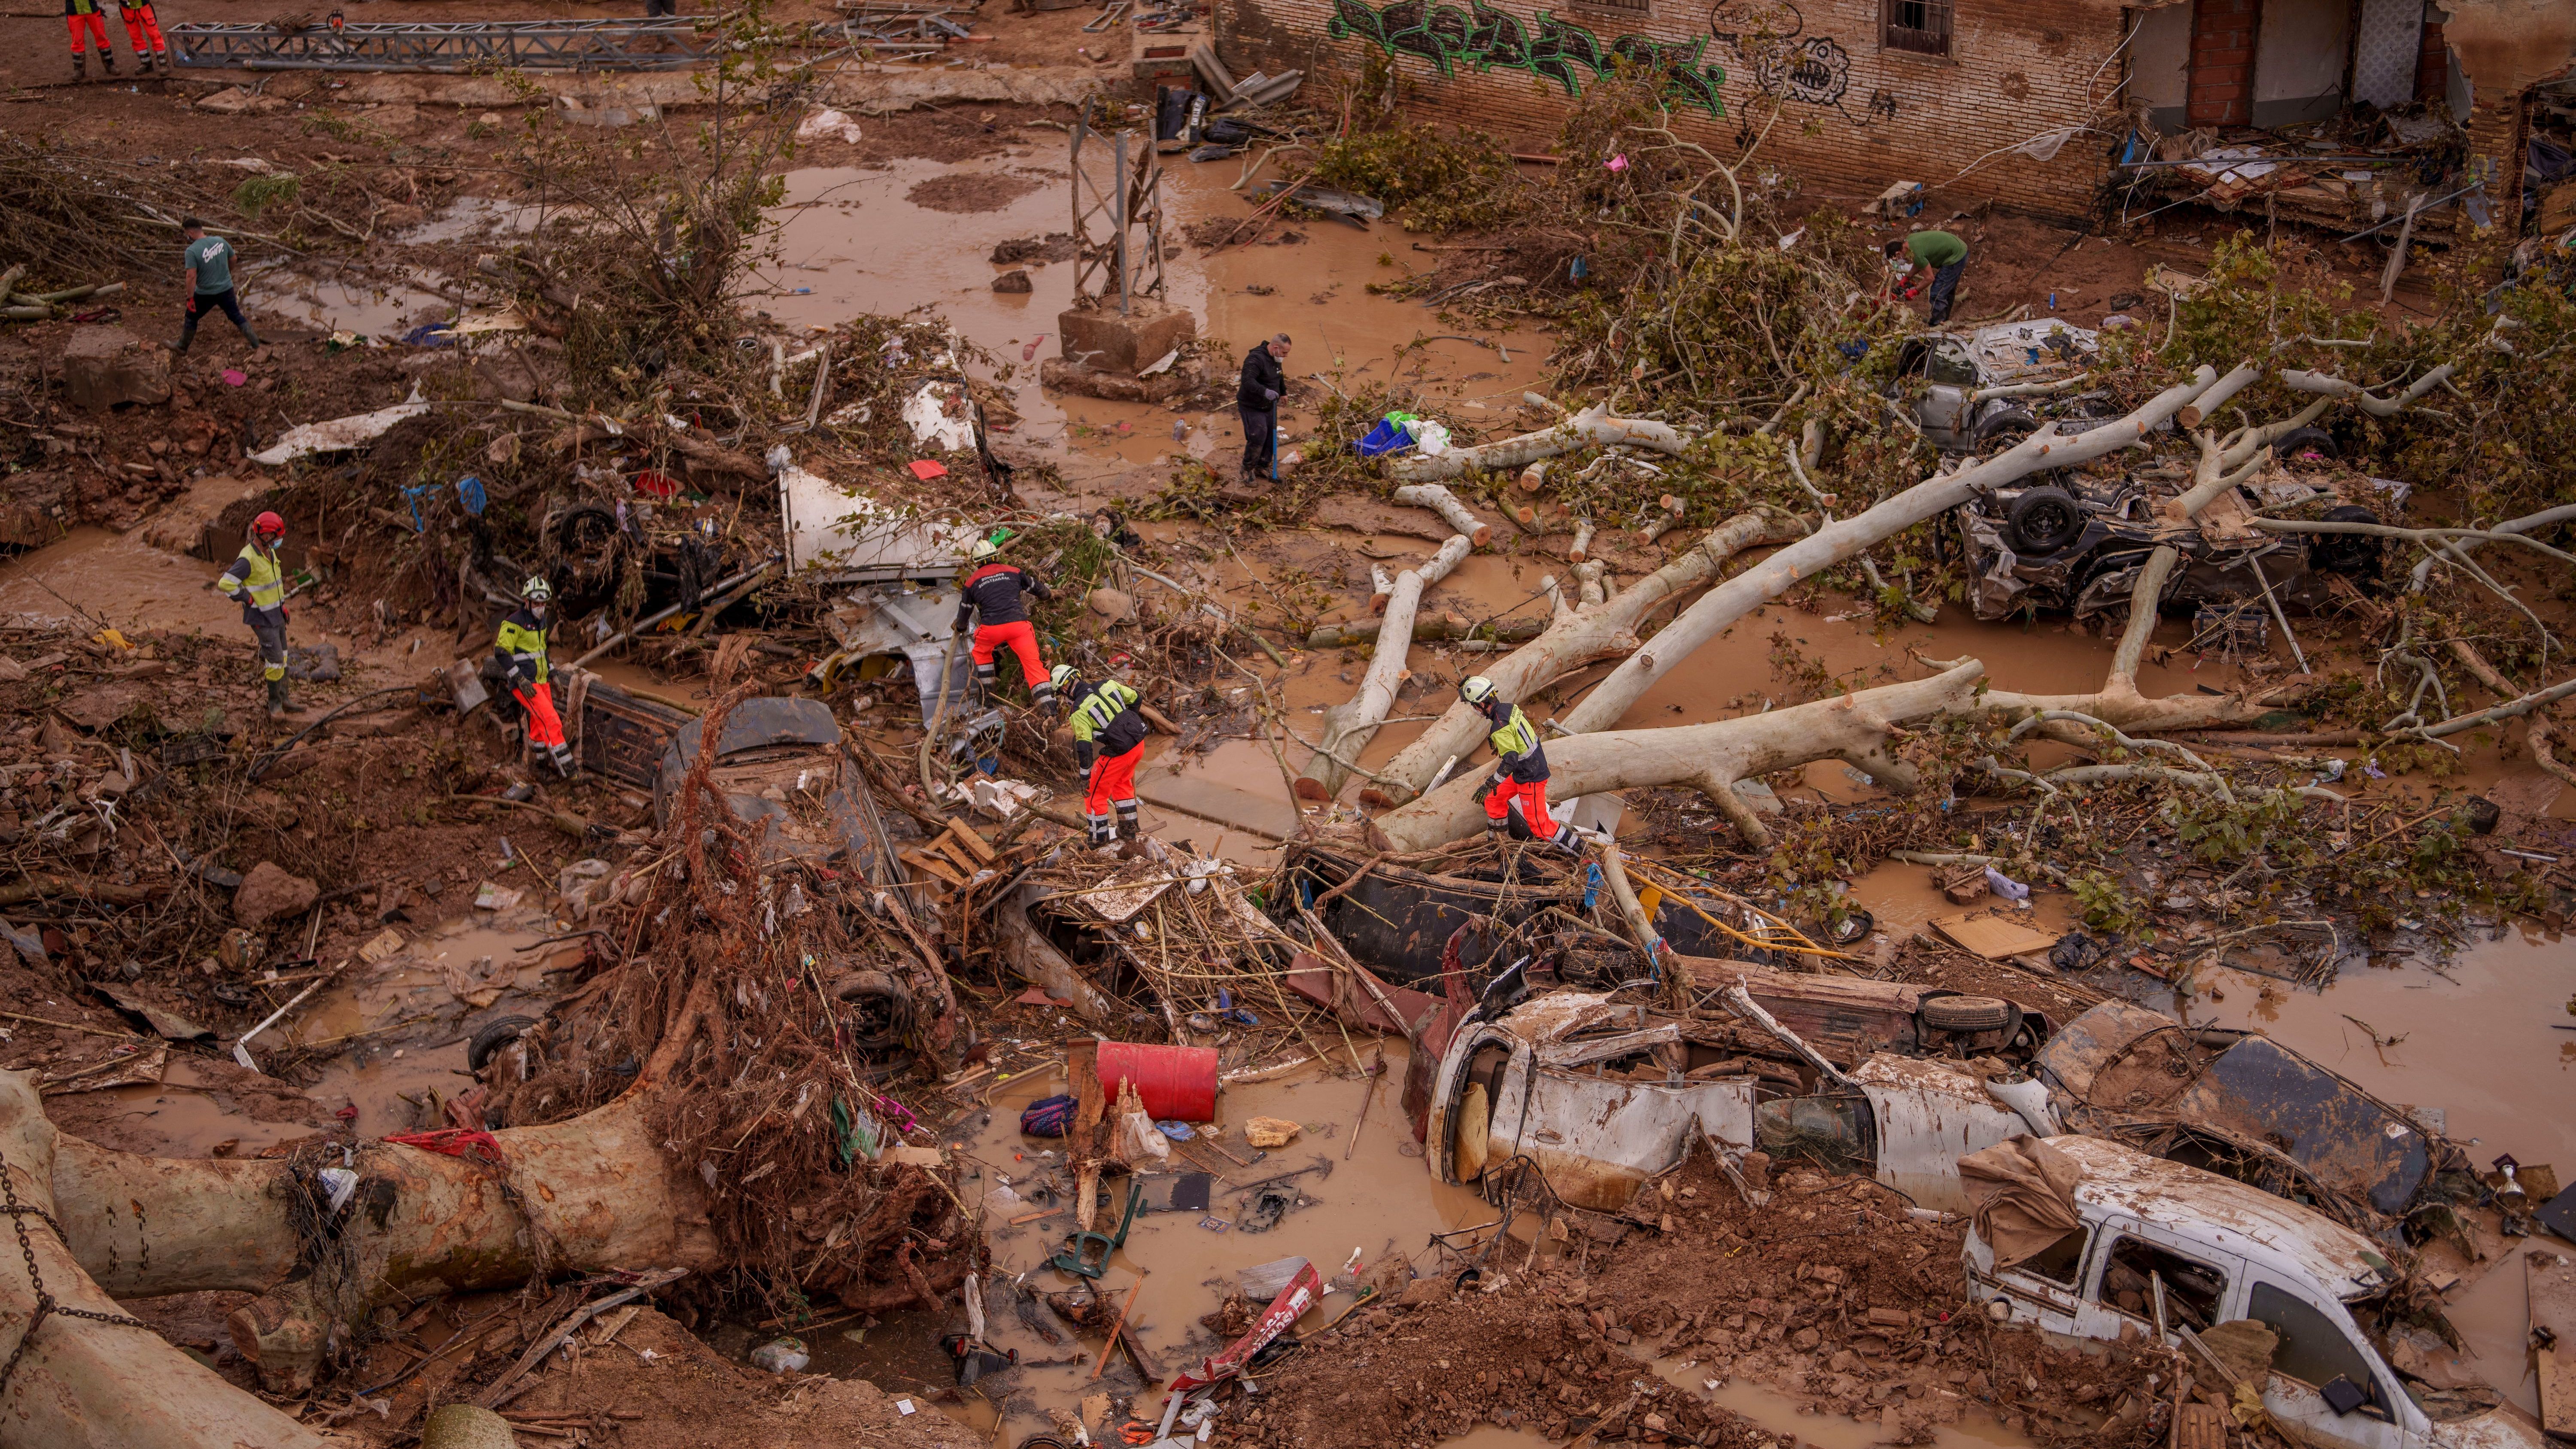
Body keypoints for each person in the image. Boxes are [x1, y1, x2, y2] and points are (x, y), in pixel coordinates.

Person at [1459, 675, 1579, 854]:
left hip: (1530, 777)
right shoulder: (1510, 708)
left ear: (1482, 705)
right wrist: (1500, 744)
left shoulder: (1499, 728)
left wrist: (1489, 784)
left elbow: (1511, 761)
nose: (1474, 710)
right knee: (1494, 799)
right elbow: (1519, 735)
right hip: (1527, 769)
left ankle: (1582, 851)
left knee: (1540, 826)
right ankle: (1499, 848)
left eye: (1473, 706)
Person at [954, 537, 1058, 716]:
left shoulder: (971, 582)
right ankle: (1049, 712)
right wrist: (1049, 595)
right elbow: (1038, 589)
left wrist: (960, 628)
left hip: (991, 629)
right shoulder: (1014, 572)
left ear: (977, 563)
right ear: (996, 556)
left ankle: (988, 699)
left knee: (981, 653)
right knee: (1033, 666)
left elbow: (965, 612)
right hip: (1018, 627)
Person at [217, 512, 302, 719]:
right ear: (264, 535)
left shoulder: (270, 552)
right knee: (274, 661)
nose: (278, 540)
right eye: (276, 536)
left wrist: (283, 607)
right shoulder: (248, 559)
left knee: (283, 657)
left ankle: (285, 698)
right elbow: (225, 583)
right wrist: (246, 598)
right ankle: (275, 706)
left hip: (276, 615)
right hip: (262, 619)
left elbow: (274, 584)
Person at [1057, 664, 1148, 847]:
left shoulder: (1078, 709)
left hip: (1119, 754)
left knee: (1093, 793)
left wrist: (1085, 776)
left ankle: (1099, 840)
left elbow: (1084, 746)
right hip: (1138, 746)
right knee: (1122, 783)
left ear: (1065, 689)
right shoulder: (1109, 684)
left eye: (1061, 693)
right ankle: (1129, 831)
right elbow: (1137, 698)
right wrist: (1128, 725)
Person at [493, 577, 575, 778]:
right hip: (527, 684)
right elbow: (501, 652)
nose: (540, 607)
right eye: (537, 603)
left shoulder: (542, 622)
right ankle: (573, 774)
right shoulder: (514, 623)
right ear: (527, 601)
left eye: (543, 604)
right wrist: (519, 679)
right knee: (552, 721)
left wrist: (554, 675)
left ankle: (537, 769)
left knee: (539, 727)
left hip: (542, 681)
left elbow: (542, 651)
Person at [173, 220, 262, 355]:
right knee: (236, 316)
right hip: (226, 289)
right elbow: (233, 259)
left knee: (191, 317)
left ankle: (182, 347)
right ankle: (256, 344)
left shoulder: (192, 251)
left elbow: (191, 277)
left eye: (187, 234)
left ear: (191, 233)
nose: (188, 237)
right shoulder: (220, 241)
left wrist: (190, 298)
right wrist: (227, 274)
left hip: (205, 293)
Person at [1236, 332, 1289, 484]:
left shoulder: (1276, 358)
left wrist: (1283, 392)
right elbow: (1247, 381)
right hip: (1252, 405)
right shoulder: (1255, 359)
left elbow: (1279, 376)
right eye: (1285, 353)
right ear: (1276, 348)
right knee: (1258, 435)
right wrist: (1265, 391)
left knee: (1271, 436)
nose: (1286, 356)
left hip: (1269, 404)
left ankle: (1262, 465)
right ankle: (1247, 469)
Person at [1886, 231, 1969, 327]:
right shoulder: (1910, 241)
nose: (1902, 260)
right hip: (1960, 249)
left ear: (1898, 253)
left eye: (1897, 259)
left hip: (1956, 256)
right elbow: (1919, 264)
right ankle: (1944, 321)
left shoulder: (1916, 254)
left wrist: (1915, 292)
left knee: (1937, 292)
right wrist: (1907, 278)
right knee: (1947, 290)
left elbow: (1930, 278)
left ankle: (1937, 325)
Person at [113, 0, 168, 73]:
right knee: (135, 37)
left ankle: (163, 64)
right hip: (127, 9)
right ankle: (146, 64)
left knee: (154, 35)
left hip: (144, 7)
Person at [66, 0, 116, 79]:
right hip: (74, 10)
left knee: (101, 36)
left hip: (92, 9)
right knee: (77, 40)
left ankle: (110, 64)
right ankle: (79, 69)